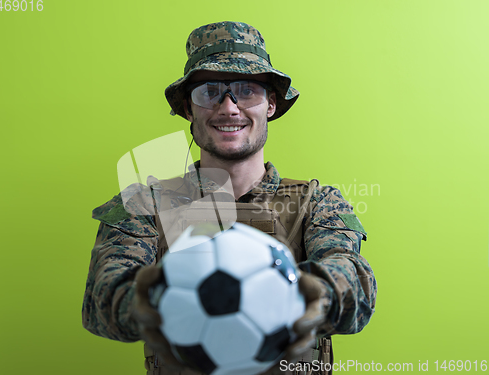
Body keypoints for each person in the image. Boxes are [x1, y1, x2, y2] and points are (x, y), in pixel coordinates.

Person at [82, 21, 377, 375]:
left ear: (271, 104)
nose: (229, 108)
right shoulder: (146, 205)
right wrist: (168, 297)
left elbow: (355, 290)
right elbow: (101, 302)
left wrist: (298, 297)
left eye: (246, 90)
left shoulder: (318, 203)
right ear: (189, 111)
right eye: (209, 92)